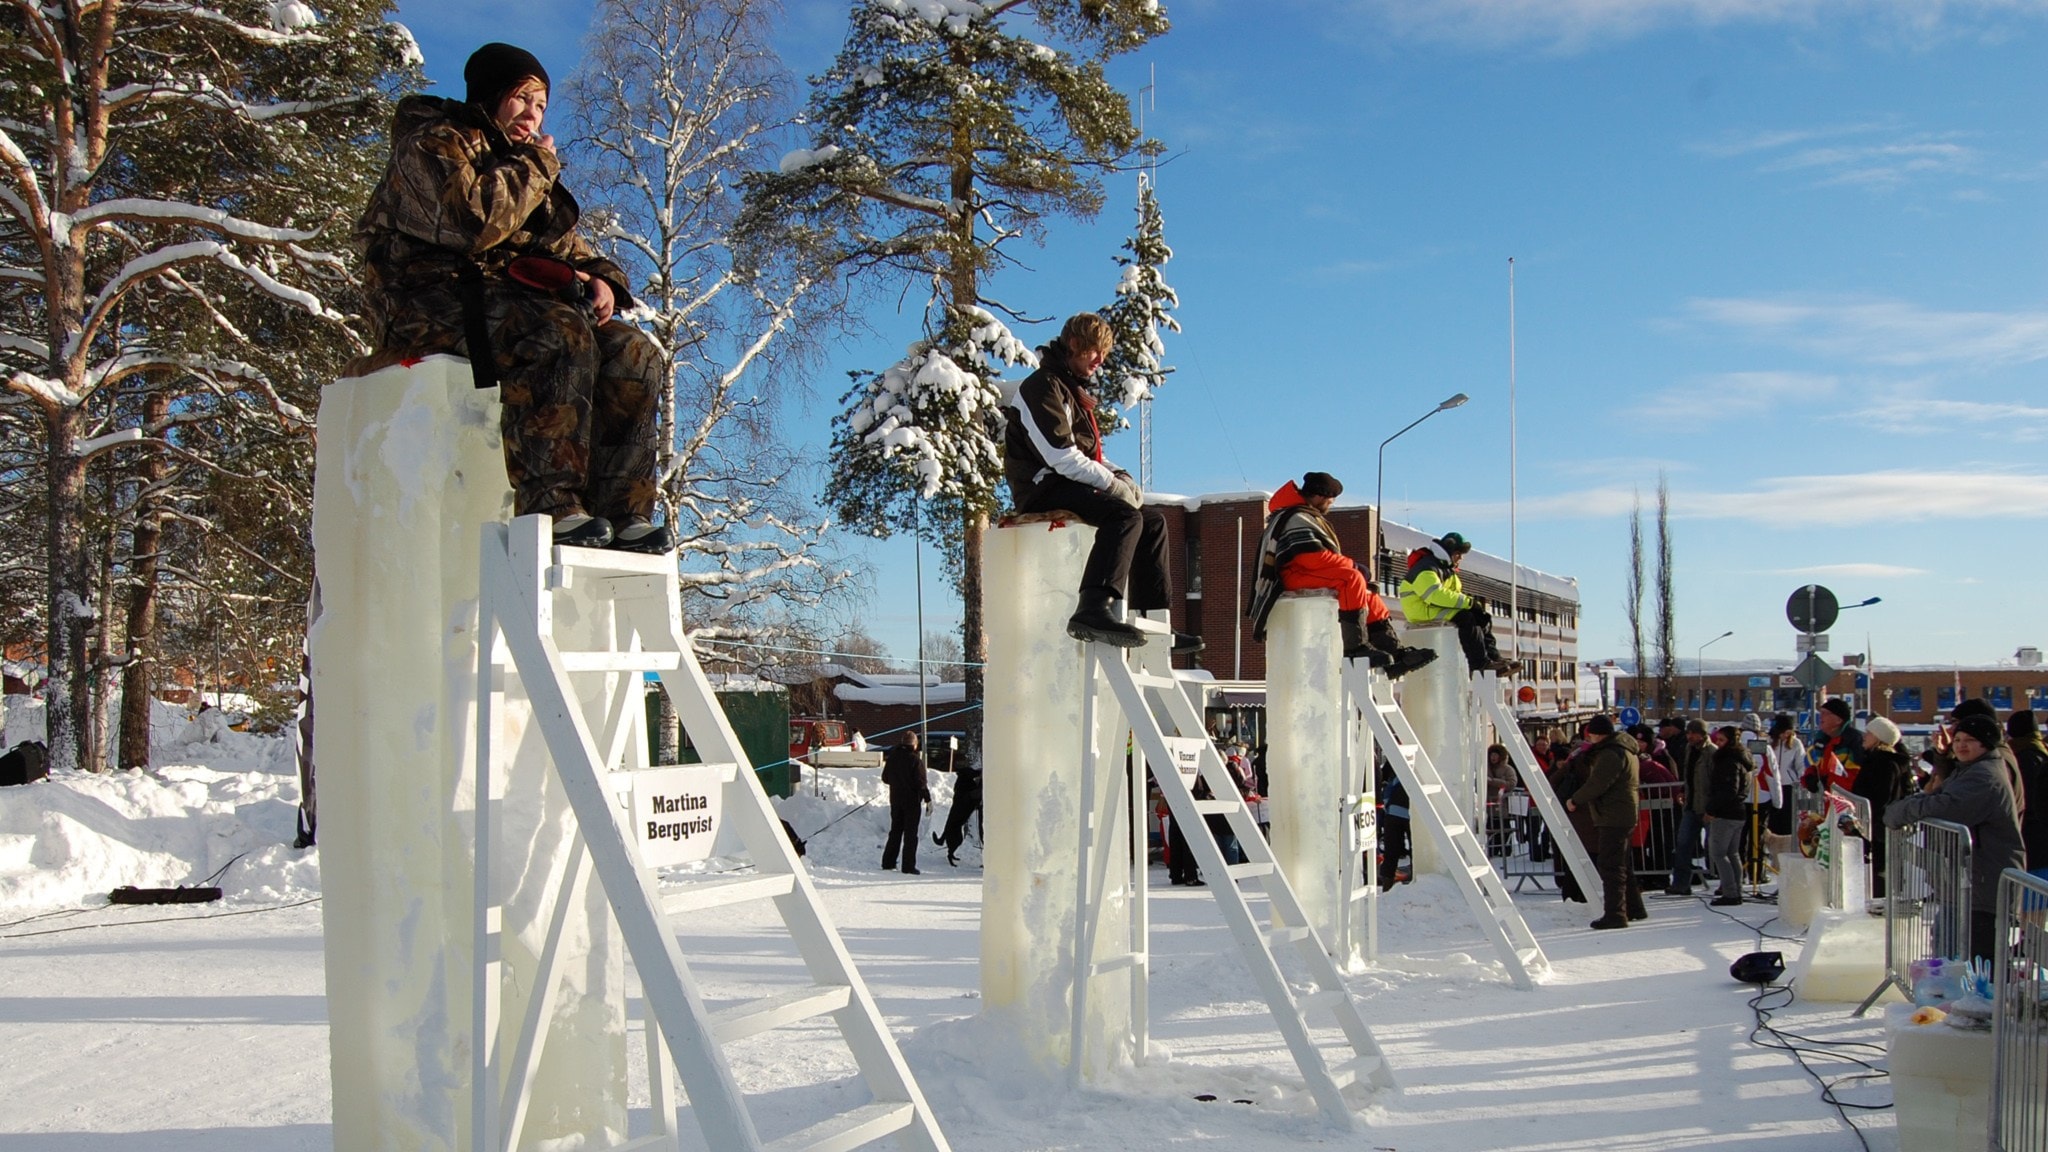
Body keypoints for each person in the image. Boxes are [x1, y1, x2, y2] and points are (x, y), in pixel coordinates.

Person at [356, 43, 669, 552]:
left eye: (541, 105)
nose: (532, 113)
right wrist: (539, 164)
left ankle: (624, 513)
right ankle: (551, 504)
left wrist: (604, 280)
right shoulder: (433, 142)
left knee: (636, 354)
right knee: (556, 331)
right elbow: (473, 221)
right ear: (492, 96)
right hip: (423, 301)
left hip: (494, 302)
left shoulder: (520, 166)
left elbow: (572, 247)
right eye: (522, 98)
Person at [1003, 313, 1198, 652]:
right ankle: (1092, 607)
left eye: (1104, 354)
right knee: (1123, 516)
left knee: (1152, 522)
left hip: (1065, 479)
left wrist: (1121, 476)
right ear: (1075, 344)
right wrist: (1111, 485)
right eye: (1096, 351)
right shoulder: (1041, 387)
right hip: (1041, 486)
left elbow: (1089, 457)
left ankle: (1154, 622)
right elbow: (1060, 455)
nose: (1100, 361)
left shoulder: (1070, 390)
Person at [1245, 472, 1436, 675]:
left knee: (1367, 593)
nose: (1331, 504)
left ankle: (1396, 655)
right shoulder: (1297, 517)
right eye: (1330, 500)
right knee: (1350, 579)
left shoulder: (1299, 514)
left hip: (1303, 572)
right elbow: (1311, 557)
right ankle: (1355, 648)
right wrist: (1353, 567)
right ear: (1319, 496)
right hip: (1289, 577)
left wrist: (1352, 568)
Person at [1884, 713, 2025, 964]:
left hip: (1984, 881)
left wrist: (1900, 812)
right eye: (1957, 739)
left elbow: (1945, 805)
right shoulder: (1969, 770)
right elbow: (1934, 796)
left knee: (1980, 961)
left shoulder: (1984, 776)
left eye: (1970, 740)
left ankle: (1980, 1001)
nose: (1960, 745)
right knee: (1952, 952)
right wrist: (1902, 809)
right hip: (1967, 881)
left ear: (1986, 744)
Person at [1397, 532, 1516, 676]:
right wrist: (1469, 603)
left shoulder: (1444, 568)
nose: (1461, 558)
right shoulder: (1426, 567)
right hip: (1422, 611)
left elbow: (1453, 594)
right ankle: (1479, 665)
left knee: (1481, 616)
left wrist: (1473, 606)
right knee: (1466, 618)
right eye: (1458, 553)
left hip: (1432, 608)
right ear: (1449, 551)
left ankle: (1493, 658)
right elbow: (1434, 595)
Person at [1567, 715, 1646, 929]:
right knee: (1621, 864)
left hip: (1614, 814)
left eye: (1591, 734)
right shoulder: (1625, 750)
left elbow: (1598, 783)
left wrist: (1575, 799)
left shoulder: (1611, 754)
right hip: (1622, 812)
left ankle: (1616, 914)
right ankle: (1634, 907)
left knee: (1611, 866)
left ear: (1597, 734)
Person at [1704, 726, 1753, 906]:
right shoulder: (1742, 759)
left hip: (1726, 813)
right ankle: (1735, 889)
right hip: (1738, 811)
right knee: (1732, 853)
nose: (1718, 743)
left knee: (1719, 853)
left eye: (1722, 740)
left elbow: (1727, 790)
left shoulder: (1728, 761)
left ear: (1730, 742)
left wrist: (1711, 809)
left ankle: (1731, 892)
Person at [1665, 719, 1713, 897]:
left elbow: (1713, 781)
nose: (1690, 736)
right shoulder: (1689, 749)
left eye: (1693, 733)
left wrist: (1712, 808)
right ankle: (1680, 883)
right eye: (1688, 733)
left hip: (1706, 806)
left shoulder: (1711, 752)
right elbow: (1690, 775)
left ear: (1702, 734)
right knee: (1683, 845)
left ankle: (1726, 884)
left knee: (1715, 847)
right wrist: (1684, 790)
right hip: (1691, 805)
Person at [880, 731, 931, 874]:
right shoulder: (915, 760)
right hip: (912, 801)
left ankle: (888, 862)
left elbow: (885, 778)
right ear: (914, 745)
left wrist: (897, 782)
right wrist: (927, 799)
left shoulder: (893, 757)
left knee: (895, 831)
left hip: (896, 799)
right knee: (910, 834)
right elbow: (921, 783)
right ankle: (908, 865)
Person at [2008, 711, 2047, 881]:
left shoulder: (2026, 757)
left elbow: (2032, 800)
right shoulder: (2039, 751)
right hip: (2036, 839)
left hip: (2034, 839)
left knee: (2033, 898)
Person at [1803, 698, 1864, 796]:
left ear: (1839, 720)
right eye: (1820, 713)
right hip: (1827, 799)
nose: (1820, 717)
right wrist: (1809, 778)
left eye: (1825, 713)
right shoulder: (1821, 739)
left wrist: (1827, 781)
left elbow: (1853, 775)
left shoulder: (1853, 740)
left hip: (1847, 801)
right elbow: (1813, 764)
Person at [932, 750, 981, 867]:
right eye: (971, 773)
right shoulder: (966, 787)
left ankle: (950, 851)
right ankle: (950, 855)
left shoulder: (962, 785)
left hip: (956, 819)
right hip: (957, 821)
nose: (974, 774)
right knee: (957, 839)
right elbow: (975, 796)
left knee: (954, 832)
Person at [1763, 713, 1805, 835]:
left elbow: (1800, 763)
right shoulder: (1767, 742)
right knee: (1772, 817)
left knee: (1787, 817)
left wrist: (1800, 778)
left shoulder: (1796, 744)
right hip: (1770, 784)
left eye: (1789, 732)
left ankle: (1786, 840)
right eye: (1784, 732)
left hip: (1788, 785)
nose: (1786, 735)